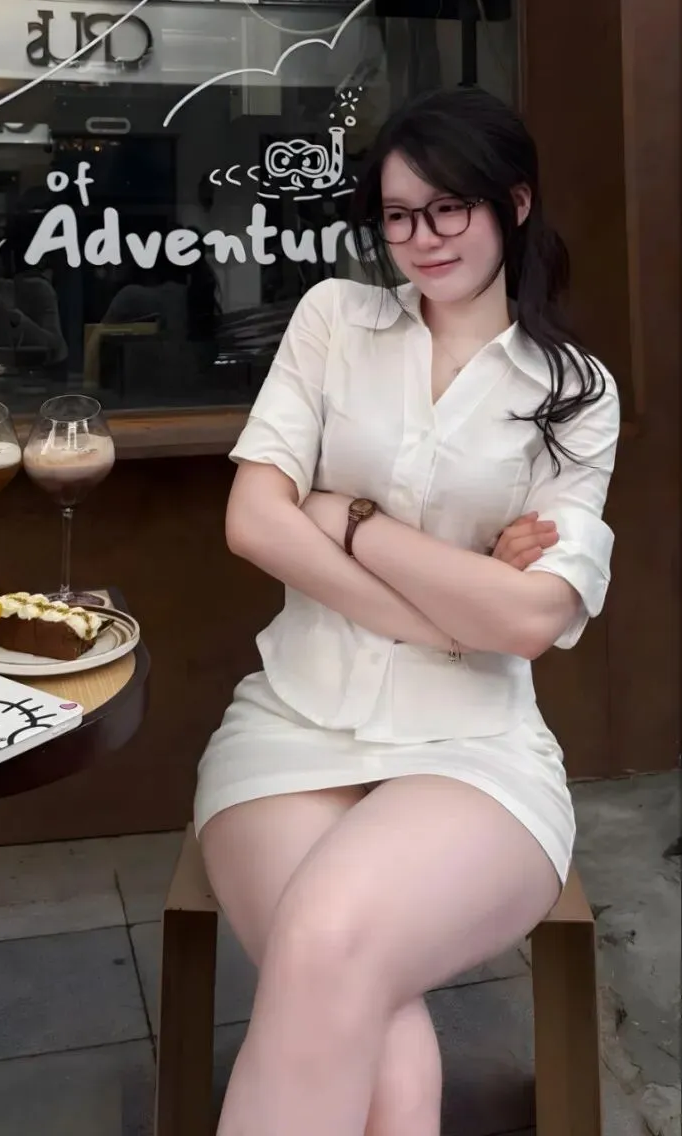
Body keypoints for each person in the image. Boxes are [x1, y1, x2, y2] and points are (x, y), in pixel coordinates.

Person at [194, 85, 620, 1136]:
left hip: (474, 745)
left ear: (512, 203)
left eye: (447, 208)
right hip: (292, 722)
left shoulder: (574, 392)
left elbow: (528, 621)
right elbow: (252, 521)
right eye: (397, 214)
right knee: (347, 990)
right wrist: (447, 605)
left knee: (326, 941)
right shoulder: (335, 319)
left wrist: (350, 521)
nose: (422, 238)